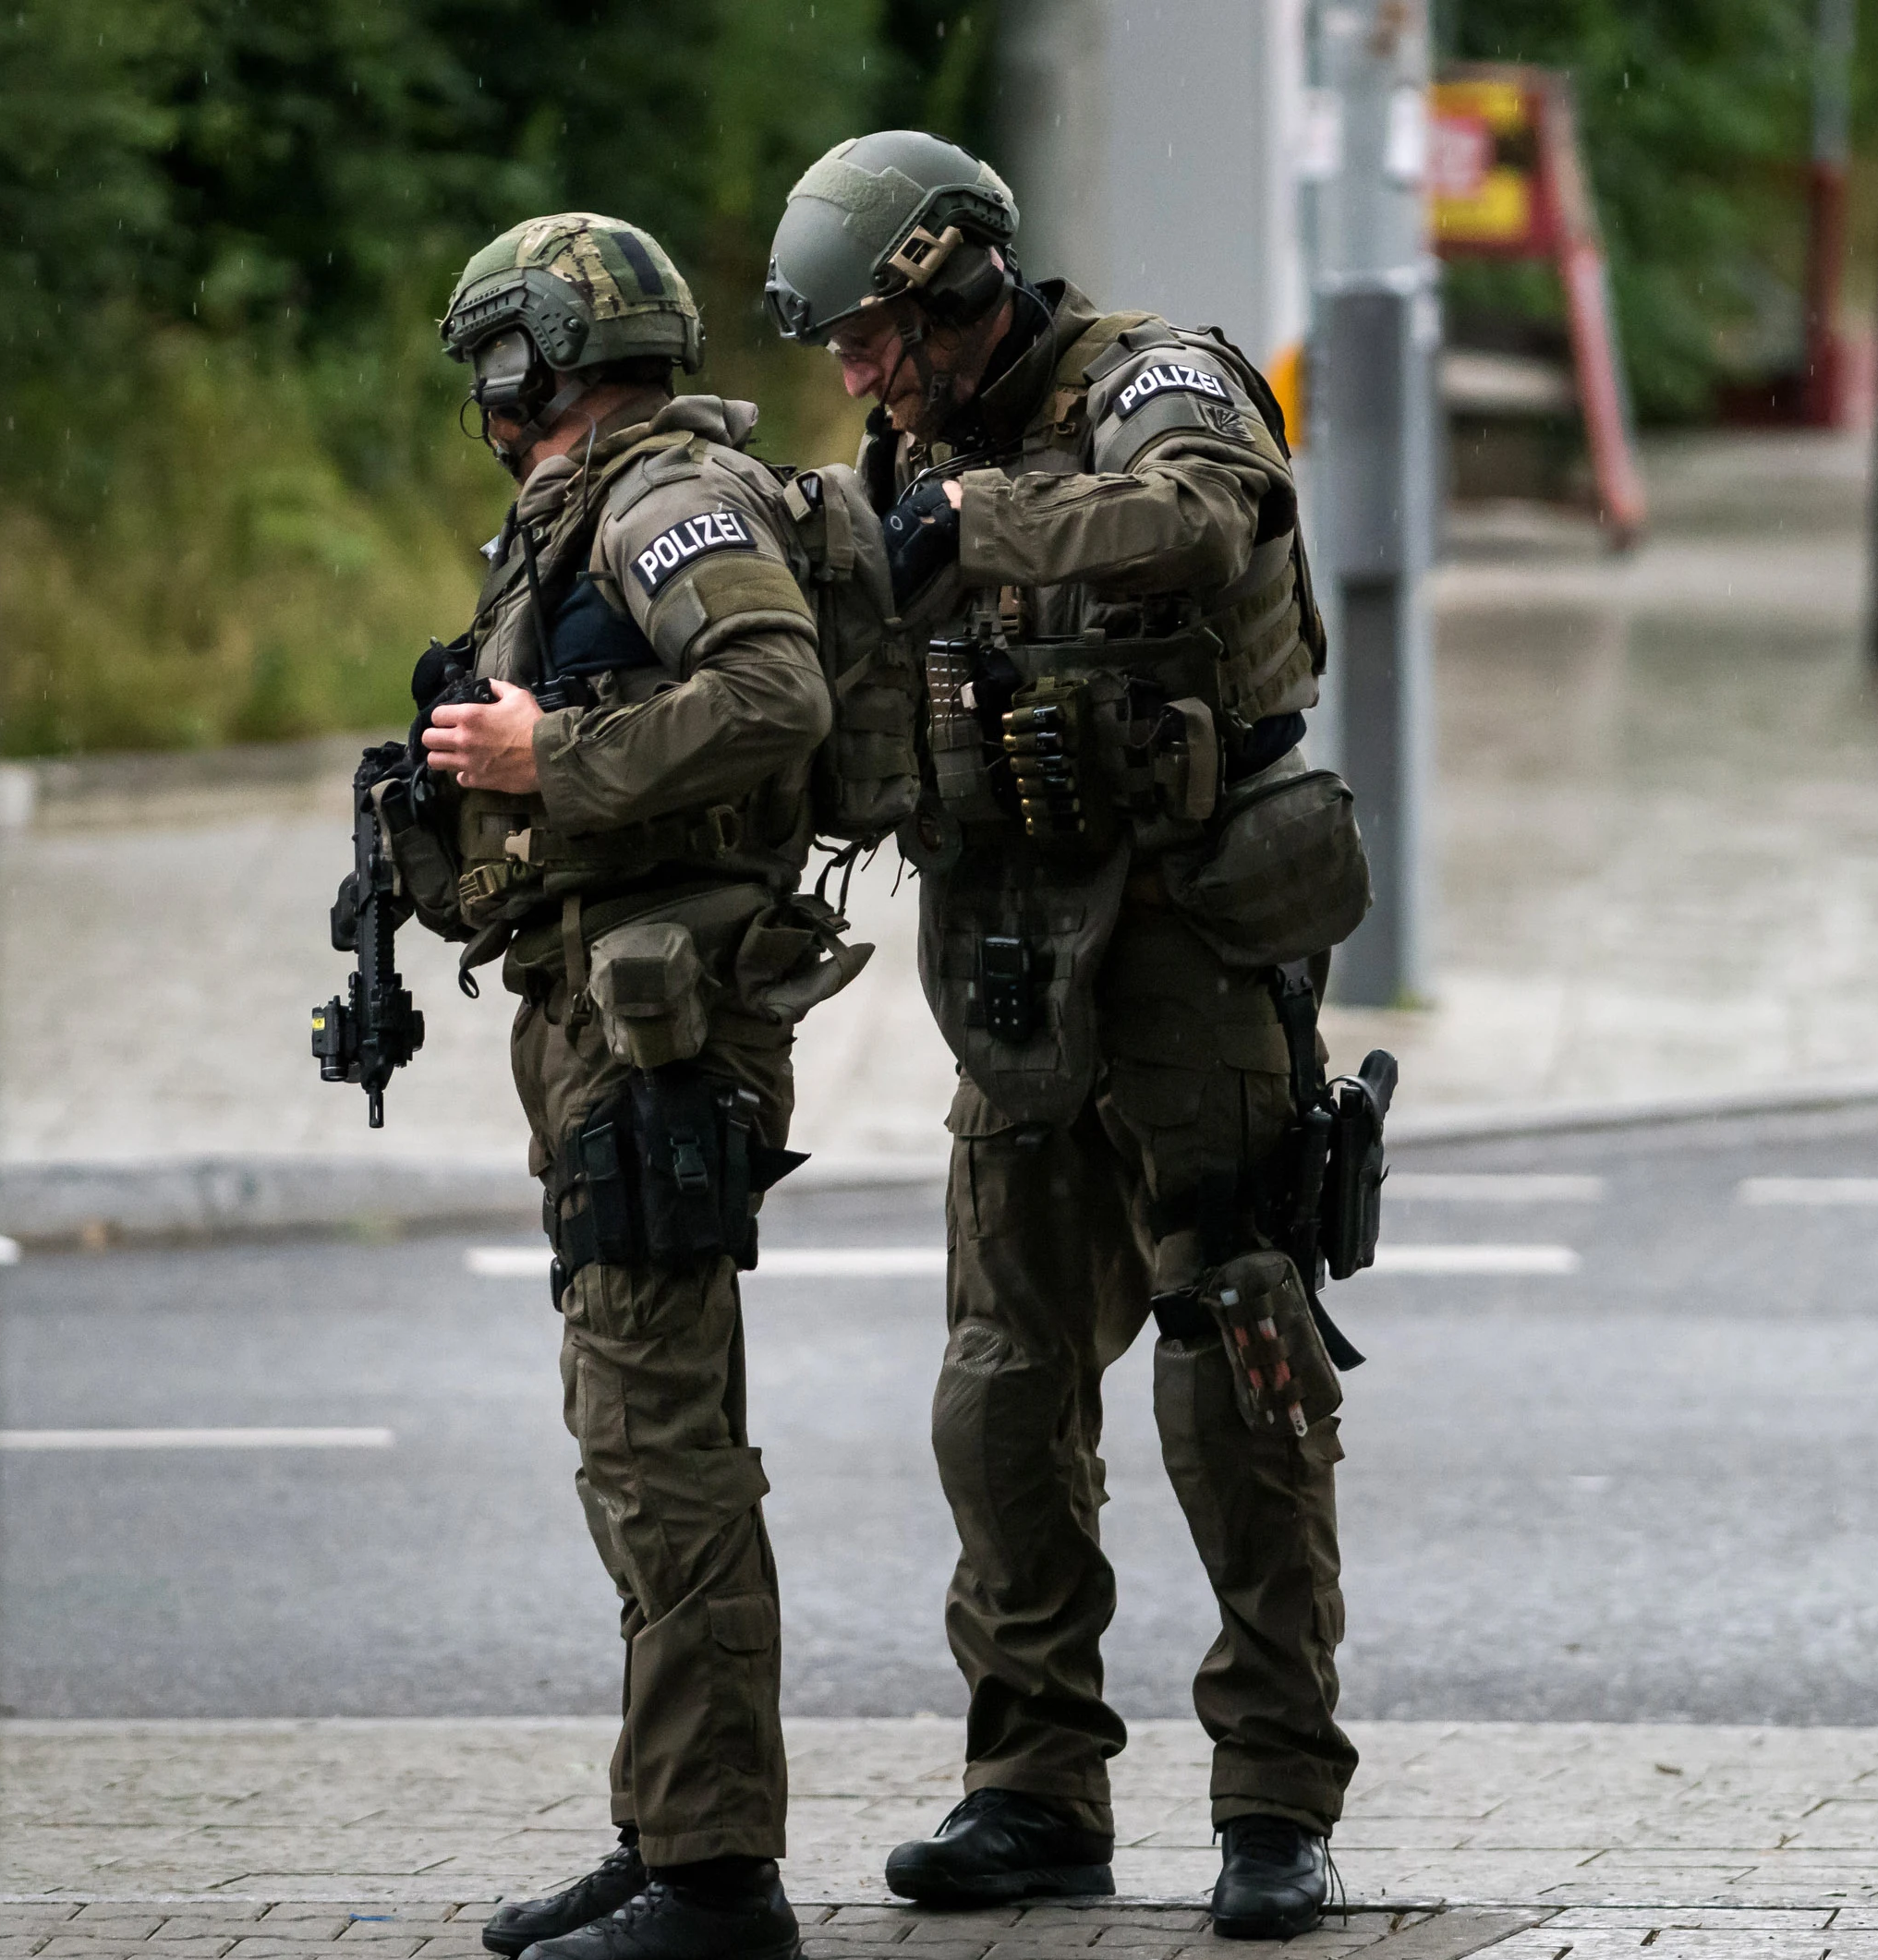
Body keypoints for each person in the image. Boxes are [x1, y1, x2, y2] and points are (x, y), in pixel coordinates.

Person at [763, 133, 1373, 1940]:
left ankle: (1273, 1799)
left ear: (956, 284)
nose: (857, 377)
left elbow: (1200, 514)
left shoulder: (1156, 379)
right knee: (1001, 1388)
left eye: (875, 334)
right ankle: (1032, 1781)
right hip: (1016, 951)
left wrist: (973, 523)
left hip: (1192, 943)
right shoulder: (898, 446)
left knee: (1230, 1364)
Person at [389, 212, 851, 1960]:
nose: (483, 400)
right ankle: (666, 1832)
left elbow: (777, 691)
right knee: (632, 1437)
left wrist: (547, 754)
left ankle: (720, 1881)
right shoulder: (582, 513)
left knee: (664, 1450)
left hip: (666, 1030)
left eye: (491, 364)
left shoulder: (662, 501)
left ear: (533, 362)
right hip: (602, 1011)